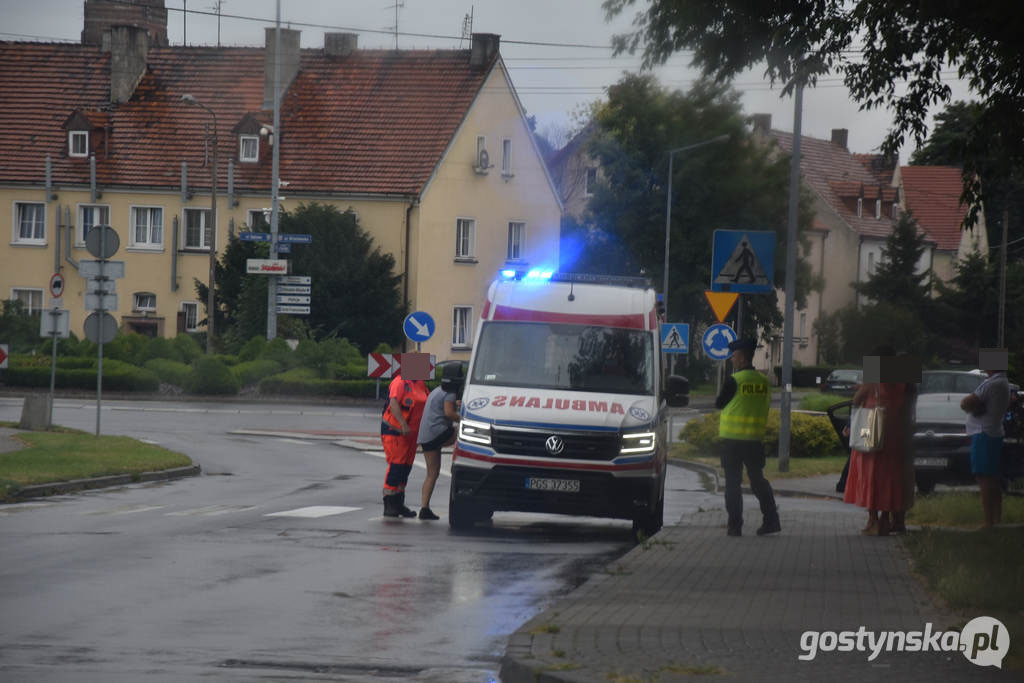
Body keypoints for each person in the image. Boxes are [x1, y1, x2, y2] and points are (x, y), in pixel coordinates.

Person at [715, 337, 779, 537]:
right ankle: (771, 520)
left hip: (732, 441)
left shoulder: (735, 380)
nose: (732, 360)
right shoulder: (763, 382)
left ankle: (735, 526)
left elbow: (719, 403)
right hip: (754, 440)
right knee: (758, 481)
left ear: (741, 359)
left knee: (733, 484)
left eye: (733, 356)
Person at [842, 350, 909, 536]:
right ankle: (886, 518)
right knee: (889, 478)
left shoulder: (872, 381)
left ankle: (873, 520)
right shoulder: (901, 382)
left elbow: (856, 401)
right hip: (893, 435)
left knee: (870, 476)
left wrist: (850, 425)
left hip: (871, 434)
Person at [960, 366, 1011, 528]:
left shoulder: (991, 383)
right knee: (992, 478)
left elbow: (966, 402)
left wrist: (969, 403)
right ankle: (996, 519)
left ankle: (988, 522)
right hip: (992, 432)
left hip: (983, 433)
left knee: (984, 478)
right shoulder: (1003, 382)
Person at [380, 357, 430, 518]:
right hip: (396, 431)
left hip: (411, 434)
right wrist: (402, 424)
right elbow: (393, 403)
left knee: (405, 468)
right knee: (397, 466)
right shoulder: (400, 382)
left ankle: (399, 503)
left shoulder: (420, 384)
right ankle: (390, 503)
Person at [416, 363, 465, 520]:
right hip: (437, 433)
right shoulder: (450, 393)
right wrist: (464, 419)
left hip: (425, 436)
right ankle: (462, 459)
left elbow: (444, 406)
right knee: (462, 431)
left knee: (432, 473)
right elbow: (449, 413)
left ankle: (424, 508)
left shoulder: (438, 390)